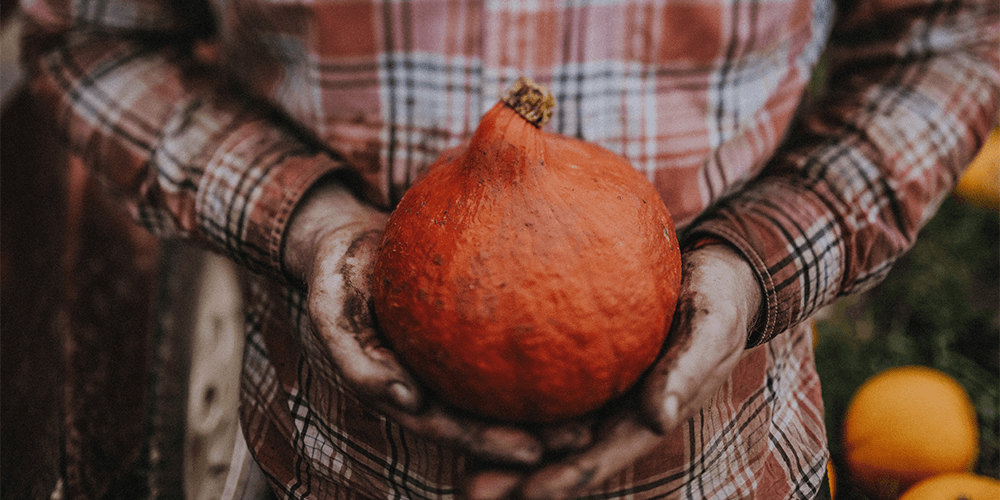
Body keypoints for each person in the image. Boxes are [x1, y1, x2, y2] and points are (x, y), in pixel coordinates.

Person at [17, 0, 998, 497]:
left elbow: (948, 36)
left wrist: (757, 264)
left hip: (720, 461)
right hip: (328, 460)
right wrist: (304, 221)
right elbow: (92, 34)